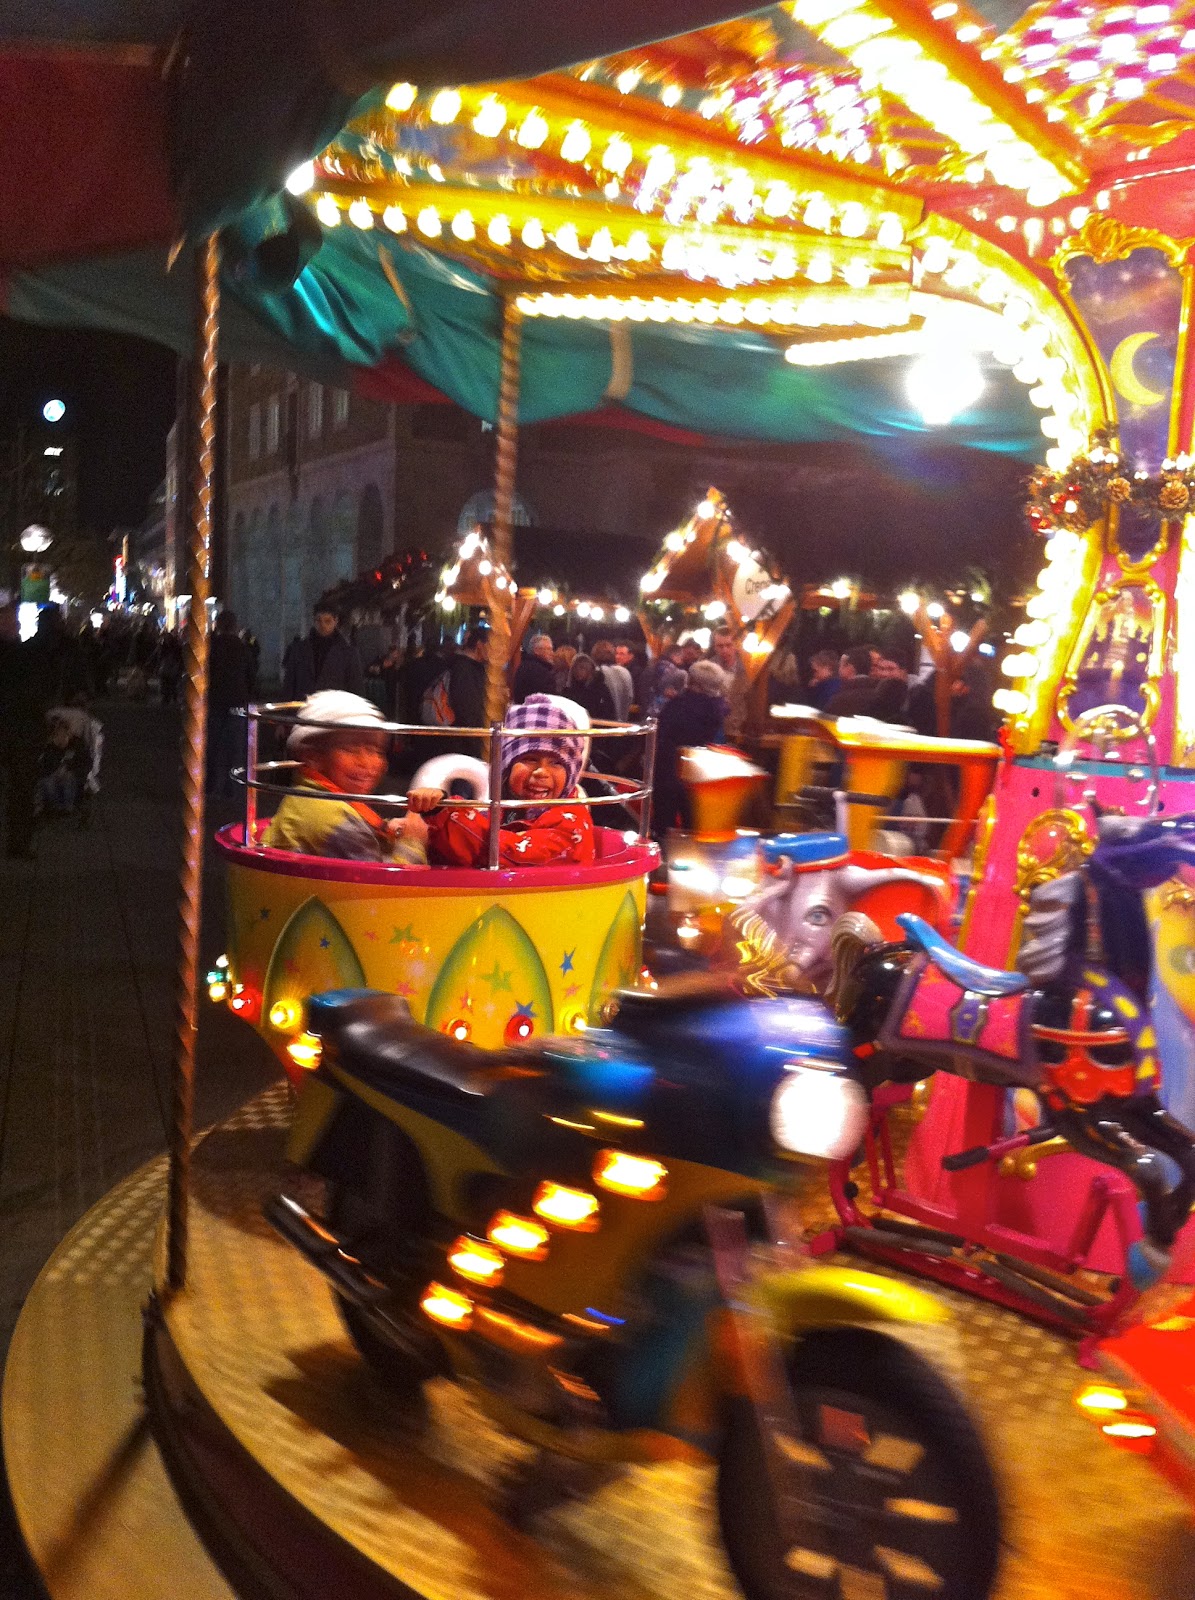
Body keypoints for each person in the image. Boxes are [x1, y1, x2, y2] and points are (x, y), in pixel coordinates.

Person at [408, 694, 594, 868]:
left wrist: (446, 813)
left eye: (556, 763)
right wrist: (429, 833)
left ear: (570, 774)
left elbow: (503, 855)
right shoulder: (508, 808)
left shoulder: (571, 822)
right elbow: (462, 851)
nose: (541, 772)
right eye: (529, 759)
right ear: (507, 766)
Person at [265, 691, 427, 863]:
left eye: (376, 751)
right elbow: (380, 879)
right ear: (313, 756)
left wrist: (388, 828)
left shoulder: (310, 798)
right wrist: (413, 842)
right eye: (351, 749)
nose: (367, 762)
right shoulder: (333, 818)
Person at [652, 659, 728, 836]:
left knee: (664, 824)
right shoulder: (716, 709)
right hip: (700, 773)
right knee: (694, 825)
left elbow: (662, 734)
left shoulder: (677, 706)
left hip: (670, 769)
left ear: (693, 682)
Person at [0, 602, 39, 858]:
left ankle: (18, 841)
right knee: (20, 789)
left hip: (18, 730)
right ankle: (18, 842)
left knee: (20, 789)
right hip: (18, 731)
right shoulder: (19, 656)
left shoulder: (20, 653)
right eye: (12, 622)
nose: (16, 625)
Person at [207, 609, 255, 796]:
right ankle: (232, 785)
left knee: (212, 744)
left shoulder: (211, 647)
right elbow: (251, 676)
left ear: (218, 625)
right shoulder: (242, 648)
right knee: (235, 747)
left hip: (216, 700)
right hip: (237, 701)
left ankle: (210, 783)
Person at [282, 602, 365, 699]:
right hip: (303, 704)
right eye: (319, 621)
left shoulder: (348, 653)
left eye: (327, 621)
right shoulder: (299, 649)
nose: (323, 625)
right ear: (314, 621)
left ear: (335, 621)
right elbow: (289, 684)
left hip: (333, 705)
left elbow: (356, 687)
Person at [36, 712, 90, 816]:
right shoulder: (50, 747)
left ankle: (67, 807)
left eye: (63, 733)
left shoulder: (77, 744)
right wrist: (55, 749)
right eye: (57, 733)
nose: (61, 736)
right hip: (54, 774)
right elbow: (44, 764)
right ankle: (56, 807)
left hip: (73, 775)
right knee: (47, 782)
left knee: (68, 778)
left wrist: (70, 769)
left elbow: (85, 762)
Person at [711, 627, 748, 740]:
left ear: (736, 645)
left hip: (740, 733)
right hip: (713, 732)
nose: (725, 650)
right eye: (720, 646)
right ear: (714, 647)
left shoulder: (749, 669)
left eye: (728, 645)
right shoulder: (707, 670)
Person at [826, 646, 877, 718]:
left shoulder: (840, 699)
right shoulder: (879, 694)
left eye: (840, 665)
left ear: (850, 667)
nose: (838, 670)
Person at [566, 653, 616, 722]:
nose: (578, 671)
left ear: (590, 670)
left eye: (582, 668)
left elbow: (609, 713)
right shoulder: (569, 690)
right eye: (575, 668)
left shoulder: (600, 689)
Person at [592, 639, 633, 721]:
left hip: (601, 722)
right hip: (623, 722)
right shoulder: (625, 672)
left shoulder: (596, 672)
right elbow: (630, 697)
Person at [512, 632, 556, 702]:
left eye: (551, 649)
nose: (552, 653)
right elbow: (547, 697)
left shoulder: (526, 665)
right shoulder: (538, 671)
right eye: (548, 649)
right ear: (536, 651)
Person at [157, 629, 183, 706]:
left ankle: (170, 697)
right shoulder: (167, 645)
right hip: (168, 665)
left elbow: (179, 656)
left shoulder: (172, 646)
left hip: (171, 665)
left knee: (171, 682)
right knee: (168, 682)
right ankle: (168, 697)